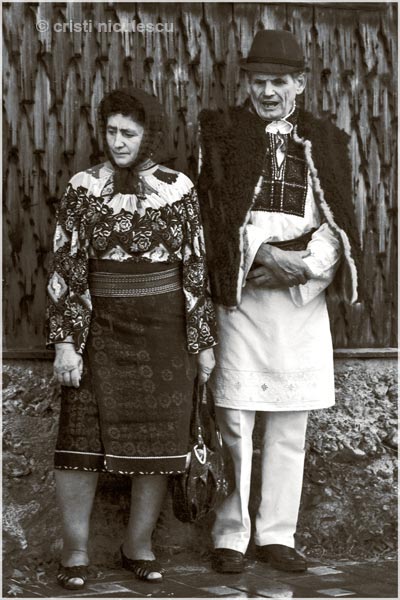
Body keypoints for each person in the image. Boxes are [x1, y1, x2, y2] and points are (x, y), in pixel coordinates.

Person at [197, 29, 362, 574]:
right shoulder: (220, 133)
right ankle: (231, 535)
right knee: (234, 420)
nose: (267, 92)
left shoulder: (327, 139)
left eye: (278, 82)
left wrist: (305, 266)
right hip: (242, 296)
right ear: (246, 82)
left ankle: (276, 535)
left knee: (291, 424)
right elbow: (212, 213)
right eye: (258, 81)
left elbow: (339, 221)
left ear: (300, 83)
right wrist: (260, 254)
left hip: (299, 300)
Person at [46, 87, 217, 589]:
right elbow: (66, 266)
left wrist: (203, 342)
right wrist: (66, 343)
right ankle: (75, 550)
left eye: (129, 133)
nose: (117, 141)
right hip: (97, 329)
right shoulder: (83, 187)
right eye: (111, 131)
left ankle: (137, 545)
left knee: (160, 441)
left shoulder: (178, 189)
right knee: (79, 440)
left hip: (164, 333)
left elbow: (195, 268)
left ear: (150, 136)